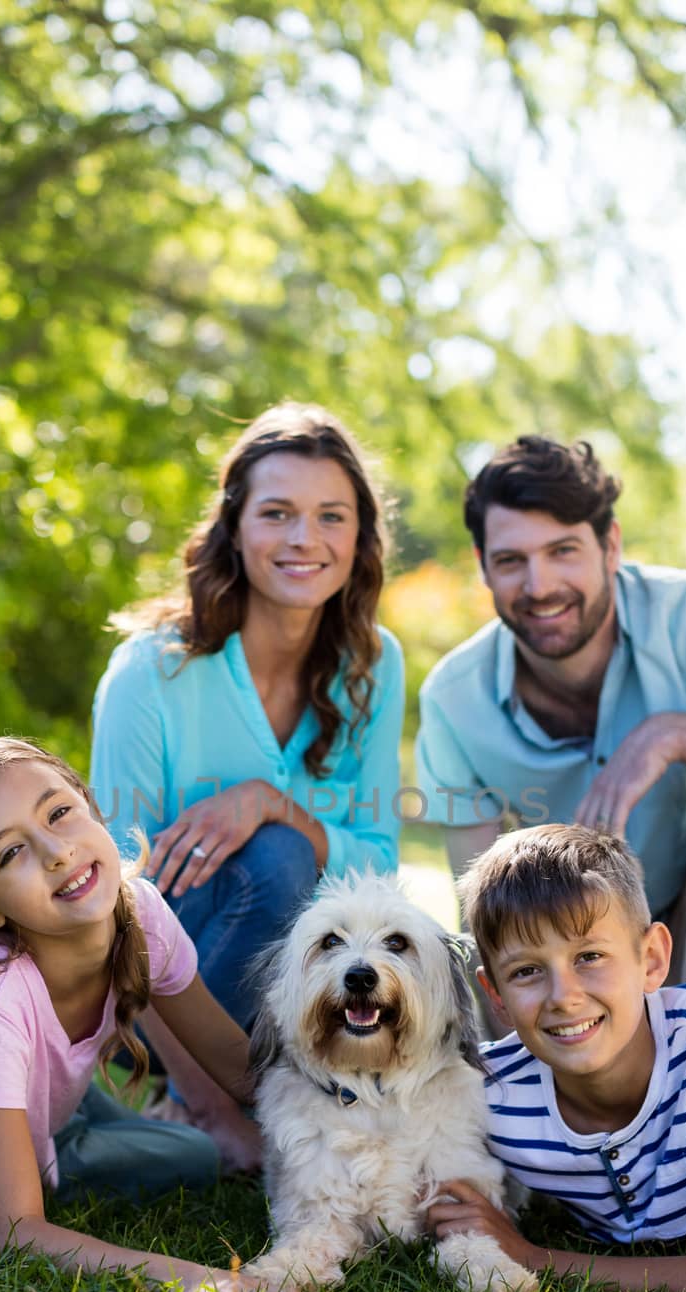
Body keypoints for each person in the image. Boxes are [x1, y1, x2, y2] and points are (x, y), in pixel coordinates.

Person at [0, 736, 309, 1292]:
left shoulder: (141, 913)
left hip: (51, 1105)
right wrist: (199, 1278)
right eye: (9, 854)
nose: (56, 851)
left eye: (58, 812)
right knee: (188, 1161)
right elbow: (18, 1233)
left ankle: (73, 1136)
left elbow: (240, 1067)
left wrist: (366, 1122)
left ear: (89, 802)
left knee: (198, 1156)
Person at [415, 433, 686, 1030]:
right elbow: (482, 921)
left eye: (563, 550)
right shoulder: (451, 697)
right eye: (512, 560)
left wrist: (669, 735)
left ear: (610, 545)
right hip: (577, 952)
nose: (539, 586)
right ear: (484, 565)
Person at [91, 403, 405, 1161]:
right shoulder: (152, 669)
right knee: (275, 861)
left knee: (286, 851)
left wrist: (274, 804)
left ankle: (283, 1096)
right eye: (277, 513)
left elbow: (379, 867)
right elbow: (108, 902)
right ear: (233, 528)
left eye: (332, 516)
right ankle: (192, 1097)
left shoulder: (373, 664)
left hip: (297, 992)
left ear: (360, 536)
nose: (305, 540)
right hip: (142, 998)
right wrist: (217, 1106)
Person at [425, 824, 686, 1292]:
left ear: (651, 959)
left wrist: (532, 1256)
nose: (564, 997)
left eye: (589, 956)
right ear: (495, 995)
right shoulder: (490, 1092)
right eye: (527, 971)